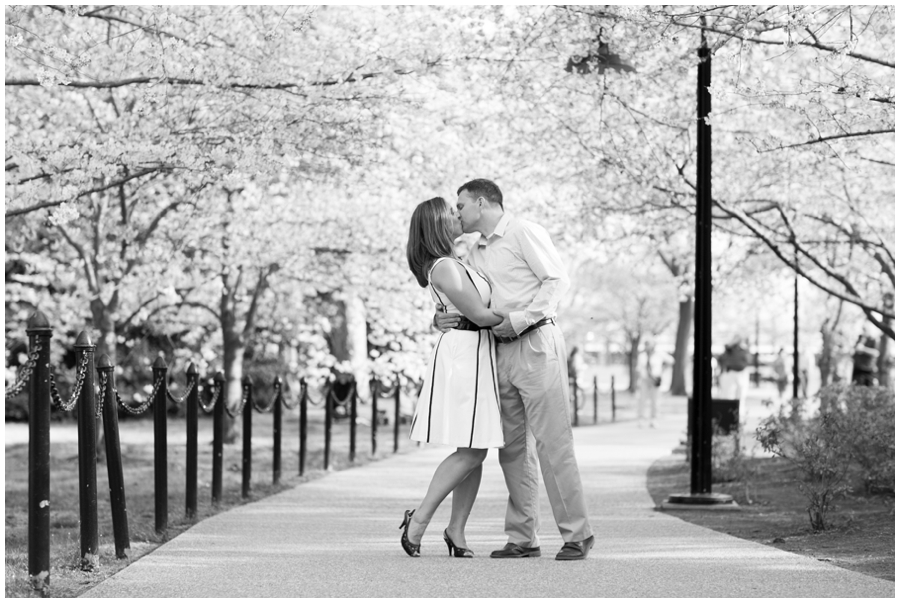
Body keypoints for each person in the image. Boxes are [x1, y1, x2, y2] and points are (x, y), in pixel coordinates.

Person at [436, 178, 594, 561]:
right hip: (499, 352)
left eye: (461, 205)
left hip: (537, 343)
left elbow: (556, 281)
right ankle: (523, 538)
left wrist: (521, 319)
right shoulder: (473, 251)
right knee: (513, 450)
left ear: (483, 202)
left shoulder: (524, 232)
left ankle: (577, 534)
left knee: (553, 443)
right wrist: (439, 318)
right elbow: (468, 299)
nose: (457, 212)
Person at [400, 197, 505, 559]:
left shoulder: (455, 262)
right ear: (436, 225)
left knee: (473, 446)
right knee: (473, 448)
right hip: (465, 354)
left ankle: (456, 530)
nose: (457, 215)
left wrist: (443, 315)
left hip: (475, 350)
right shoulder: (444, 265)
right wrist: (534, 313)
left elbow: (463, 309)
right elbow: (478, 313)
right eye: (450, 213)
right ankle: (420, 519)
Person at [636, 341, 662, 428]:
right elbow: (639, 369)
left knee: (655, 401)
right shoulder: (642, 356)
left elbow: (671, 361)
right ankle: (641, 419)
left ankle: (654, 419)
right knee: (642, 400)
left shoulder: (658, 355)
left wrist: (660, 372)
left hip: (655, 380)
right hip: (645, 380)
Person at [718, 335, 750, 404]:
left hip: (741, 372)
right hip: (730, 372)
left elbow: (747, 360)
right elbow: (721, 358)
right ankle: (727, 411)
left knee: (741, 394)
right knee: (727, 394)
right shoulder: (729, 349)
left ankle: (739, 412)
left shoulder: (744, 350)